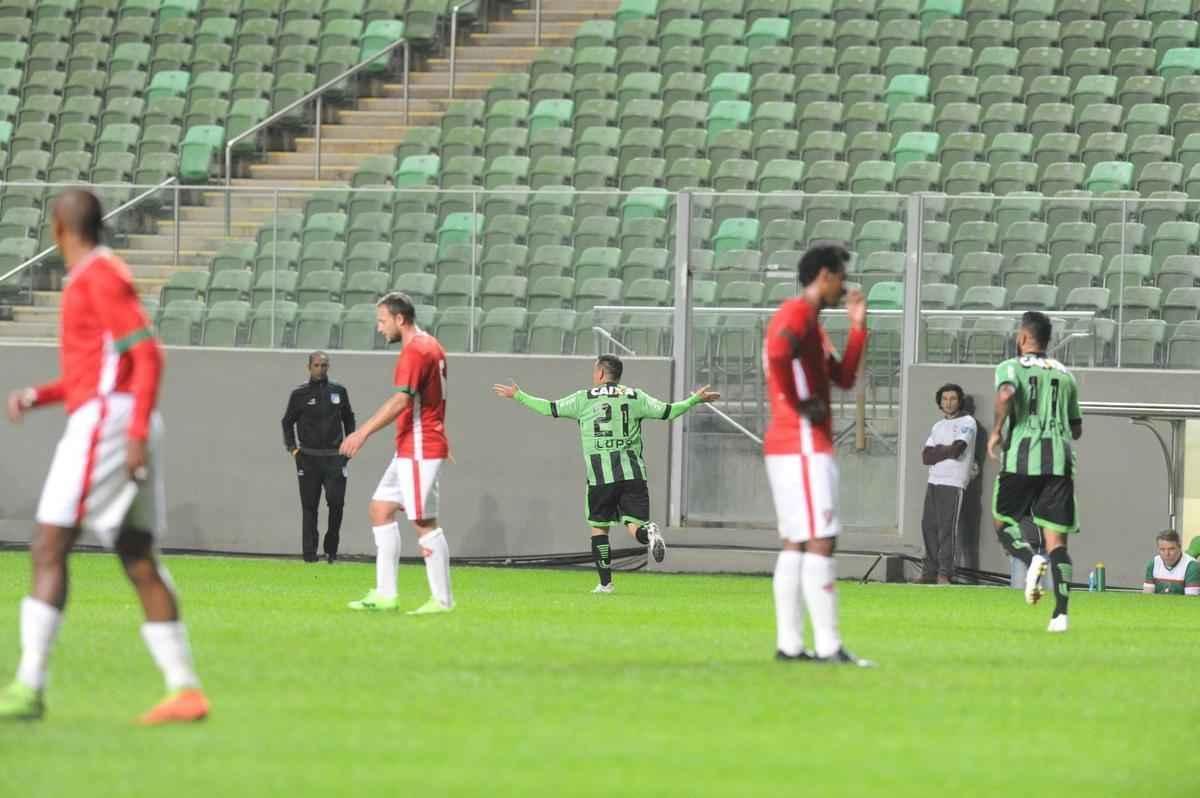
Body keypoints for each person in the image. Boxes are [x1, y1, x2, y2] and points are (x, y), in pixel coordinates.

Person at [0, 190, 208, 723]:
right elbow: (88, 375)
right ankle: (184, 689)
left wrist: (134, 430)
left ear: (58, 228)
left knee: (49, 544)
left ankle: (28, 685)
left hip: (109, 424)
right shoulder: (96, 276)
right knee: (137, 555)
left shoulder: (96, 276)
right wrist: (36, 396)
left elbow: (147, 354)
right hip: (115, 417)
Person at [492, 355, 718, 592]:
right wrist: (694, 400)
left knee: (599, 528)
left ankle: (605, 583)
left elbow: (549, 408)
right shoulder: (635, 396)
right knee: (634, 526)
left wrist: (518, 395)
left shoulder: (584, 399)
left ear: (600, 373)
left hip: (600, 477)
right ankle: (649, 532)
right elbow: (668, 412)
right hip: (633, 474)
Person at [764, 243, 873, 667]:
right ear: (824, 275)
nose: (844, 285)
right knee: (822, 539)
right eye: (841, 276)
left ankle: (790, 645)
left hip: (790, 443)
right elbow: (777, 353)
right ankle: (828, 646)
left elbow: (843, 378)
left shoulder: (813, 324)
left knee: (797, 541)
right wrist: (797, 402)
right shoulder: (798, 312)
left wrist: (858, 327)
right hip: (803, 442)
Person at [339, 292, 453, 614]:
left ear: (399, 319)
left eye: (382, 320)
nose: (379, 328)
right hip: (412, 444)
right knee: (380, 509)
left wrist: (361, 432)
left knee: (422, 521)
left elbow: (402, 400)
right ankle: (386, 595)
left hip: (419, 445)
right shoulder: (429, 343)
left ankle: (442, 601)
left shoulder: (415, 350)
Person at [988, 310, 1082, 633]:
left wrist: (997, 430)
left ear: (1024, 338)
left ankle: (1031, 562)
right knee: (1058, 541)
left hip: (1021, 459)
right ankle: (1061, 615)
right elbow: (1077, 428)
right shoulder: (1065, 374)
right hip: (1059, 462)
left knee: (1003, 522)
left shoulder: (1010, 366)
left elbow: (1006, 393)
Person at [281, 351, 356, 563]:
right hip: (308, 458)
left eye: (324, 365)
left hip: (335, 458)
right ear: (309, 367)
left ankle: (331, 550)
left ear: (328, 367)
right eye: (316, 365)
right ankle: (310, 555)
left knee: (336, 503)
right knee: (309, 506)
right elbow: (287, 422)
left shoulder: (339, 391)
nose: (320, 369)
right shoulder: (299, 394)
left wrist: (348, 445)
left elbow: (349, 418)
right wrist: (293, 449)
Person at [918, 383, 978, 584]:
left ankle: (945, 573)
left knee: (947, 528)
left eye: (952, 399)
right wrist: (946, 449)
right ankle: (930, 571)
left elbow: (957, 450)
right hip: (933, 480)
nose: (948, 403)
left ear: (959, 401)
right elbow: (926, 456)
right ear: (940, 402)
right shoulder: (937, 426)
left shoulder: (968, 422)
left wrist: (940, 451)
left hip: (953, 482)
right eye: (944, 399)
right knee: (928, 526)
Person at [1143, 530, 1200, 595]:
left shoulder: (1191, 566)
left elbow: (1191, 600)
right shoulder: (1153, 564)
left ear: (1179, 547)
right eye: (1162, 549)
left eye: (1171, 549)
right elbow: (1147, 596)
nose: (1166, 554)